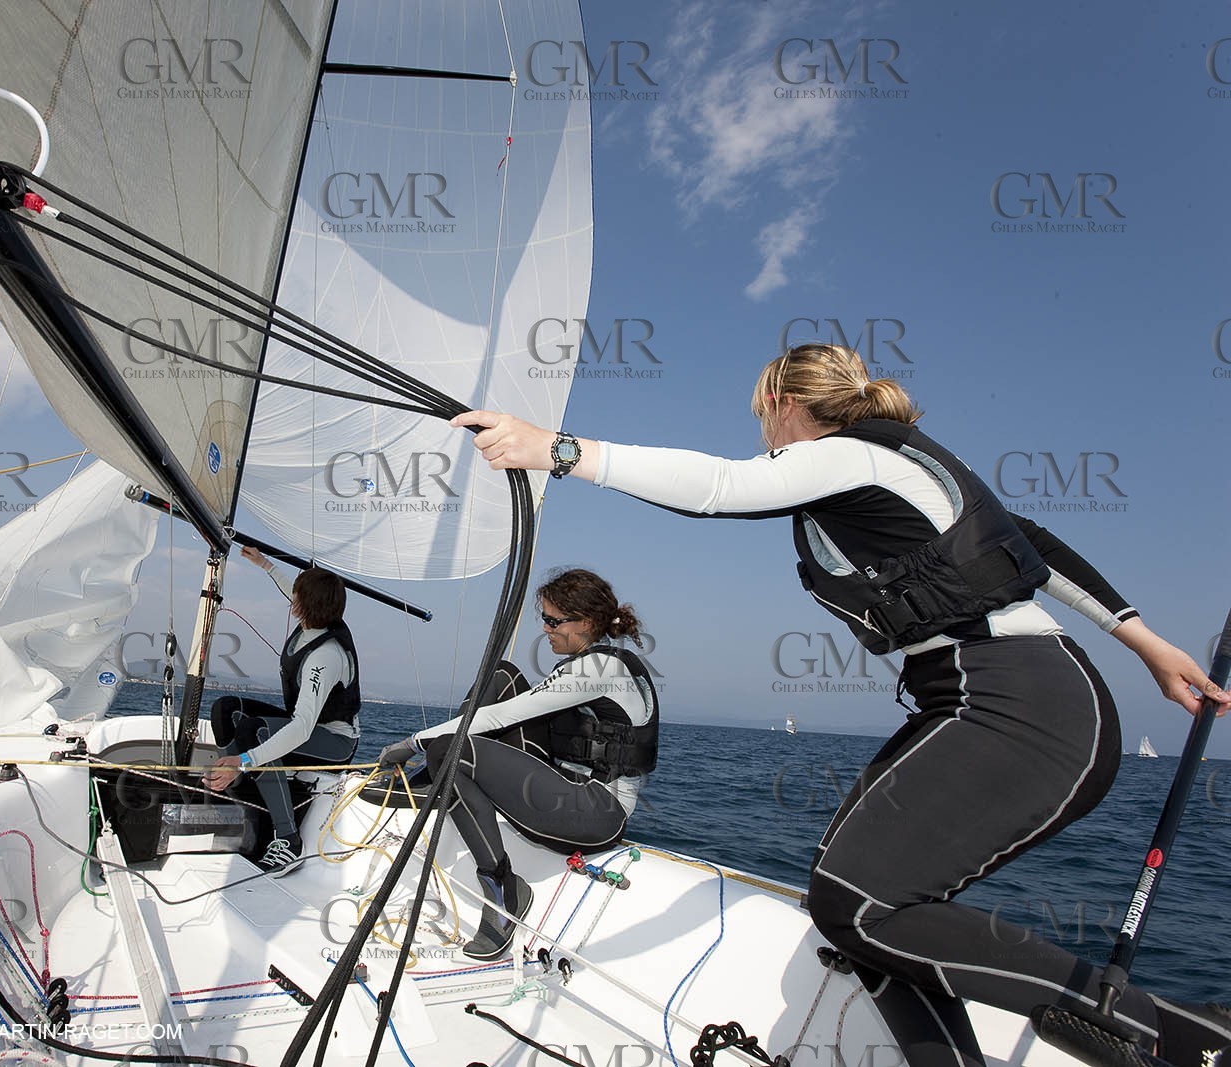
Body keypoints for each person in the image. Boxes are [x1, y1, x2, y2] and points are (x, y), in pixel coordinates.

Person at [447, 342, 1231, 1067]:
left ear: (781, 403)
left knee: (856, 904)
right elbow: (1033, 545)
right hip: (966, 696)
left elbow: (721, 487)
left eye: (760, 414)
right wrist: (1146, 642)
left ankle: (1177, 1034)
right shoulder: (880, 472)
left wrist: (557, 450)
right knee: (853, 909)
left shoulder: (855, 456)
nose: (760, 433)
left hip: (1024, 700)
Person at [380, 568, 658, 960]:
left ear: (586, 623)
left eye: (553, 621)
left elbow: (500, 717)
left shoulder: (598, 670)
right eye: (544, 618)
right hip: (567, 787)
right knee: (502, 674)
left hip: (596, 814)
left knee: (449, 749)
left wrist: (412, 743)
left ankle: (503, 890)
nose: (545, 629)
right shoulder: (591, 663)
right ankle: (434, 781)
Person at [203, 547, 361, 875]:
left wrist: (244, 760)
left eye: (297, 596)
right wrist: (265, 564)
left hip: (334, 741)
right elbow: (291, 587)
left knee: (255, 732)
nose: (292, 599)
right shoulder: (317, 618)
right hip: (307, 726)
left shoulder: (325, 656)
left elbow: (301, 727)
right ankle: (239, 793)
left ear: (304, 605)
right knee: (226, 709)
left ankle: (288, 840)